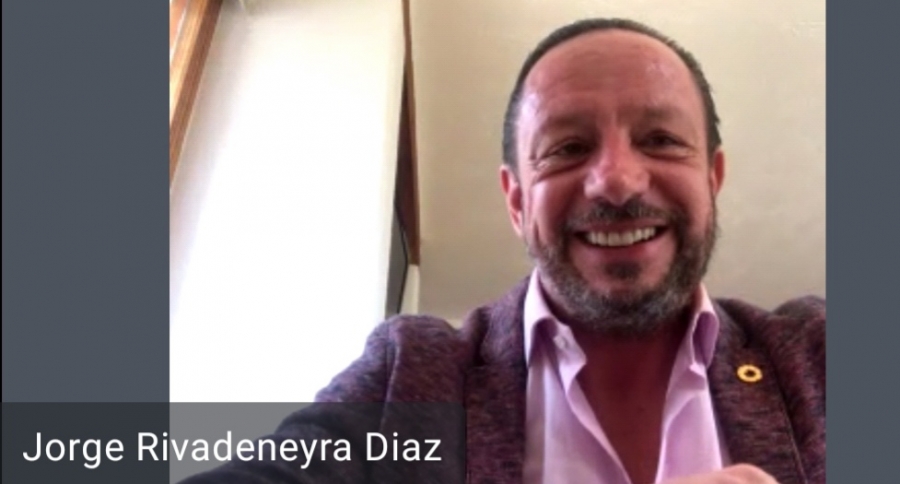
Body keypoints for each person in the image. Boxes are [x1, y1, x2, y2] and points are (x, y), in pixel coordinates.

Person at [183, 18, 824, 484]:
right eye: (567, 148)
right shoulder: (410, 375)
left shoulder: (820, 355)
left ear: (712, 179)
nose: (618, 181)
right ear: (516, 202)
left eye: (660, 139)